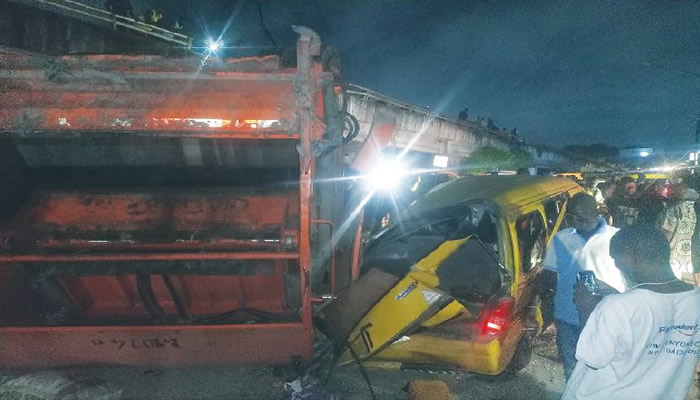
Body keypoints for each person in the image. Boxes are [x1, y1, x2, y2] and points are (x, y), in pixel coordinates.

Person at [562, 225, 700, 400]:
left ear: (628, 254)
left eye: (615, 258)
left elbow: (594, 358)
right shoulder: (695, 300)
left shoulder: (616, 307)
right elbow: (657, 320)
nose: (617, 265)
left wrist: (586, 307)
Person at [541, 193, 623, 380]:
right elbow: (549, 274)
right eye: (571, 216)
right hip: (567, 316)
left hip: (605, 316)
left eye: (581, 216)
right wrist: (541, 303)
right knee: (571, 366)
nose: (575, 220)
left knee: (605, 367)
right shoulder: (561, 239)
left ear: (595, 212)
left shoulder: (616, 237)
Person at [657, 184, 698, 284]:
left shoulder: (673, 209)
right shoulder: (696, 209)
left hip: (675, 260)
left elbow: (665, 236)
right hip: (693, 260)